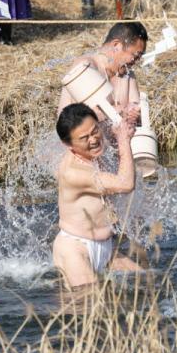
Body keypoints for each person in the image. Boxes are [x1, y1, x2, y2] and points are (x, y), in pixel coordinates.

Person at [53, 103, 141, 288]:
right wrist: (124, 139)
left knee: (147, 282)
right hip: (76, 249)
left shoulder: (92, 142)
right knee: (90, 307)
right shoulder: (73, 172)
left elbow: (109, 119)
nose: (93, 140)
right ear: (68, 145)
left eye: (95, 131)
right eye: (84, 138)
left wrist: (126, 117)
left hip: (106, 248)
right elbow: (125, 184)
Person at [58, 21, 148, 125]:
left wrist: (135, 115)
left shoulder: (128, 75)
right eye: (136, 56)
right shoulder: (85, 66)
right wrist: (123, 110)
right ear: (116, 45)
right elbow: (85, 117)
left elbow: (138, 116)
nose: (135, 61)